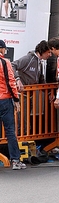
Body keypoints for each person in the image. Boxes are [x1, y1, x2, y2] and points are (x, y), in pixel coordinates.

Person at [0, 40, 26, 170]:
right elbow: (11, 82)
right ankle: (15, 160)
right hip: (5, 99)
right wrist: (16, 100)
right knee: (10, 131)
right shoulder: (5, 62)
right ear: (2, 49)